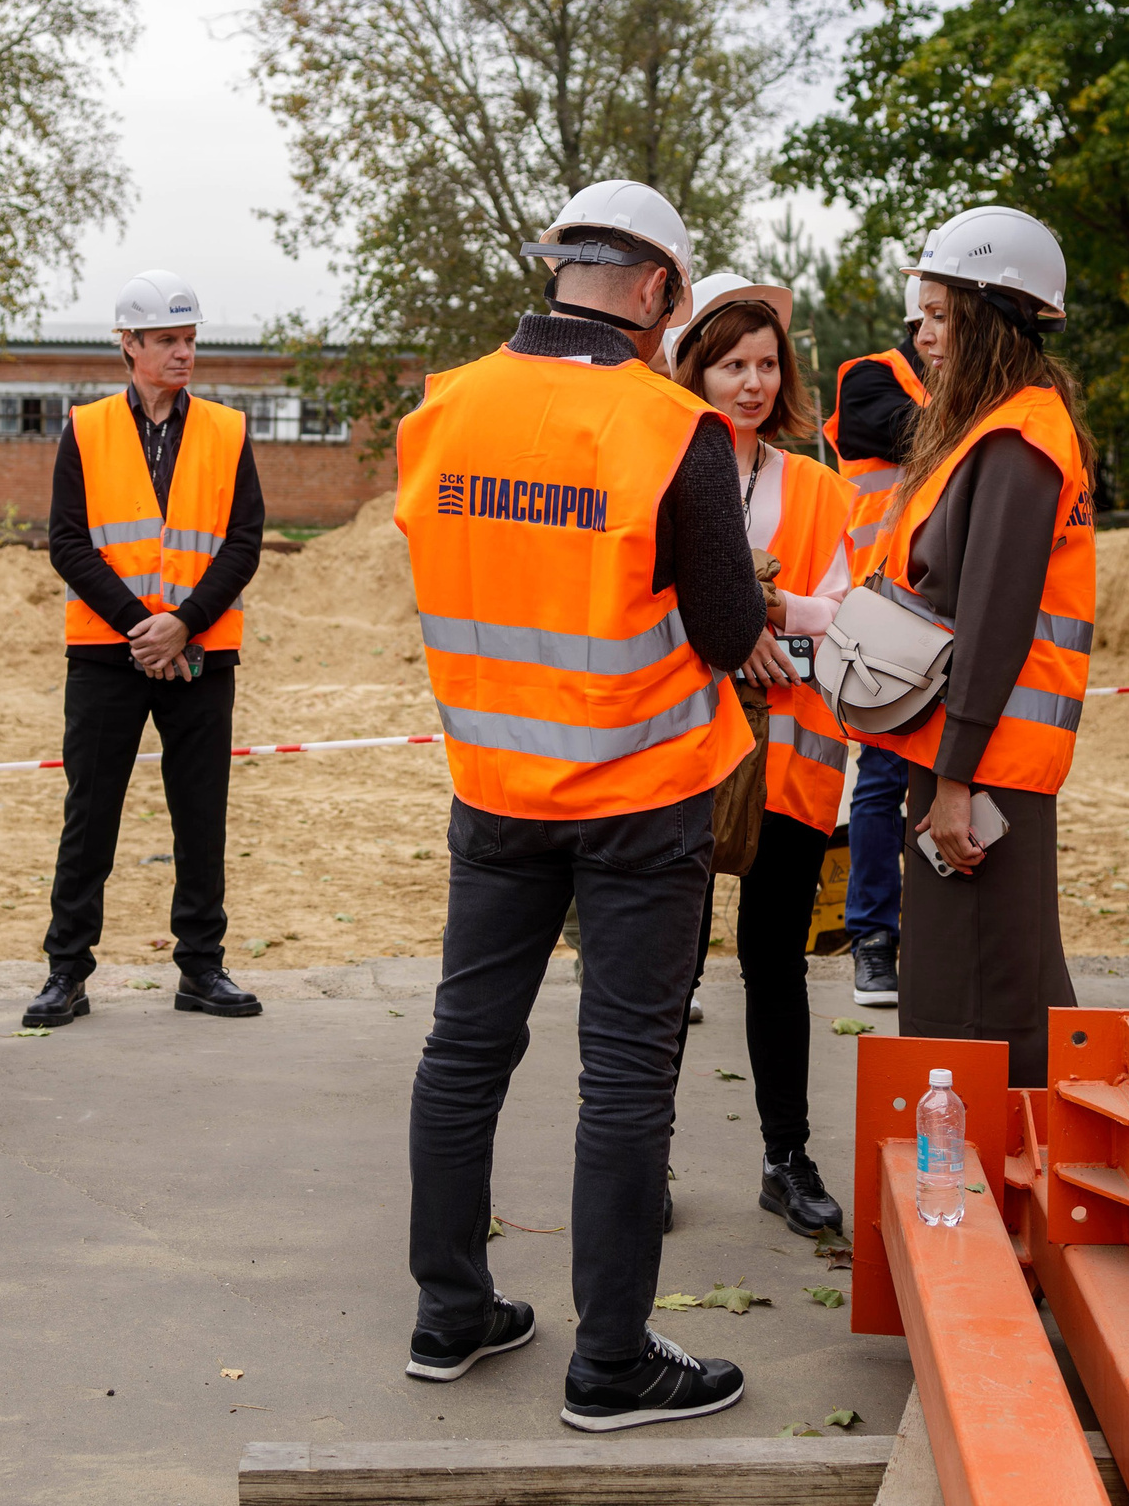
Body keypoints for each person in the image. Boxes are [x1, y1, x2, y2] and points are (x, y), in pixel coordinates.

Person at [397, 181, 761, 1433]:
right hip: (641, 797)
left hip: (493, 786)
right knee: (624, 1077)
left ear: (560, 269)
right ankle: (609, 1366)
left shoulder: (443, 408)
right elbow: (728, 630)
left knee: (463, 1050)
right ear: (657, 290)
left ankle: (450, 1312)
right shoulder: (670, 427)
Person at [855, 207, 1094, 1088]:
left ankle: (992, 1162)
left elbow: (995, 621)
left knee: (988, 996)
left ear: (992, 318)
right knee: (982, 979)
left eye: (939, 315)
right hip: (972, 752)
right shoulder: (998, 427)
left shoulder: (1018, 441)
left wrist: (955, 778)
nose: (920, 334)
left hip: (986, 765)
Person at [664, 274, 854, 1239]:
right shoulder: (662, 472)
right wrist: (729, 628)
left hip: (789, 759)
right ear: (695, 372)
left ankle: (787, 1157)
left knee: (774, 960)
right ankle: (642, 1157)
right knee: (668, 967)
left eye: (767, 364)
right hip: (684, 757)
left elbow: (850, 611)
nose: (752, 382)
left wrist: (773, 612)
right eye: (732, 364)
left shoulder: (819, 489)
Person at [27, 270, 265, 1028]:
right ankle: (66, 970)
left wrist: (184, 623)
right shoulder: (85, 428)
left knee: (200, 815)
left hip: (201, 655)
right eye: (167, 340)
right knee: (89, 815)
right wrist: (143, 624)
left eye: (189, 339)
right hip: (108, 654)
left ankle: (202, 966)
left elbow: (244, 541)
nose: (183, 353)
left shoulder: (228, 431)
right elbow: (68, 542)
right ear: (128, 344)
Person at [823, 271, 946, 1008]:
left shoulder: (971, 393)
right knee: (883, 781)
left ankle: (939, 938)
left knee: (960, 780)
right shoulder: (871, 379)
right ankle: (874, 936)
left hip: (959, 609)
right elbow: (927, 436)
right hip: (888, 613)